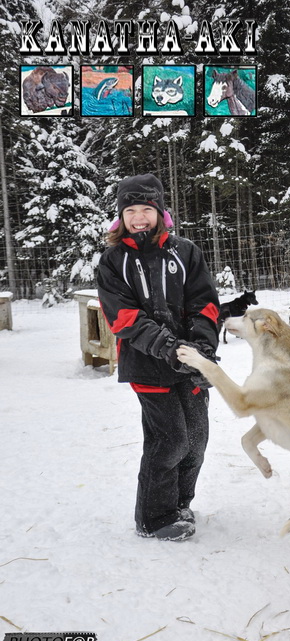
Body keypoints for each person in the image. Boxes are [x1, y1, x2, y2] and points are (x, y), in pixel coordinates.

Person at [97, 174, 219, 542]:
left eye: (146, 209)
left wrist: (201, 348)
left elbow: (206, 303)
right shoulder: (113, 260)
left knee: (196, 439)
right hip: (148, 365)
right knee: (170, 441)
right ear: (121, 216)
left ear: (160, 211)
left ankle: (180, 503)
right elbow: (124, 318)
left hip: (190, 363)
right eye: (130, 210)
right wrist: (169, 347)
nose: (138, 217)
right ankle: (154, 517)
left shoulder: (185, 252)